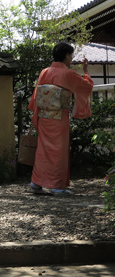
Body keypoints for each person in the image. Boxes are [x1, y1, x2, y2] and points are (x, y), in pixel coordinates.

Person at [28, 42, 93, 196]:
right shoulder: (68, 74)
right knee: (58, 151)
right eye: (71, 55)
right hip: (59, 117)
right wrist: (85, 71)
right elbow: (86, 86)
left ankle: (36, 183)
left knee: (43, 150)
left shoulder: (45, 71)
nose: (71, 58)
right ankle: (57, 186)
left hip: (44, 116)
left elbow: (37, 96)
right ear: (66, 55)